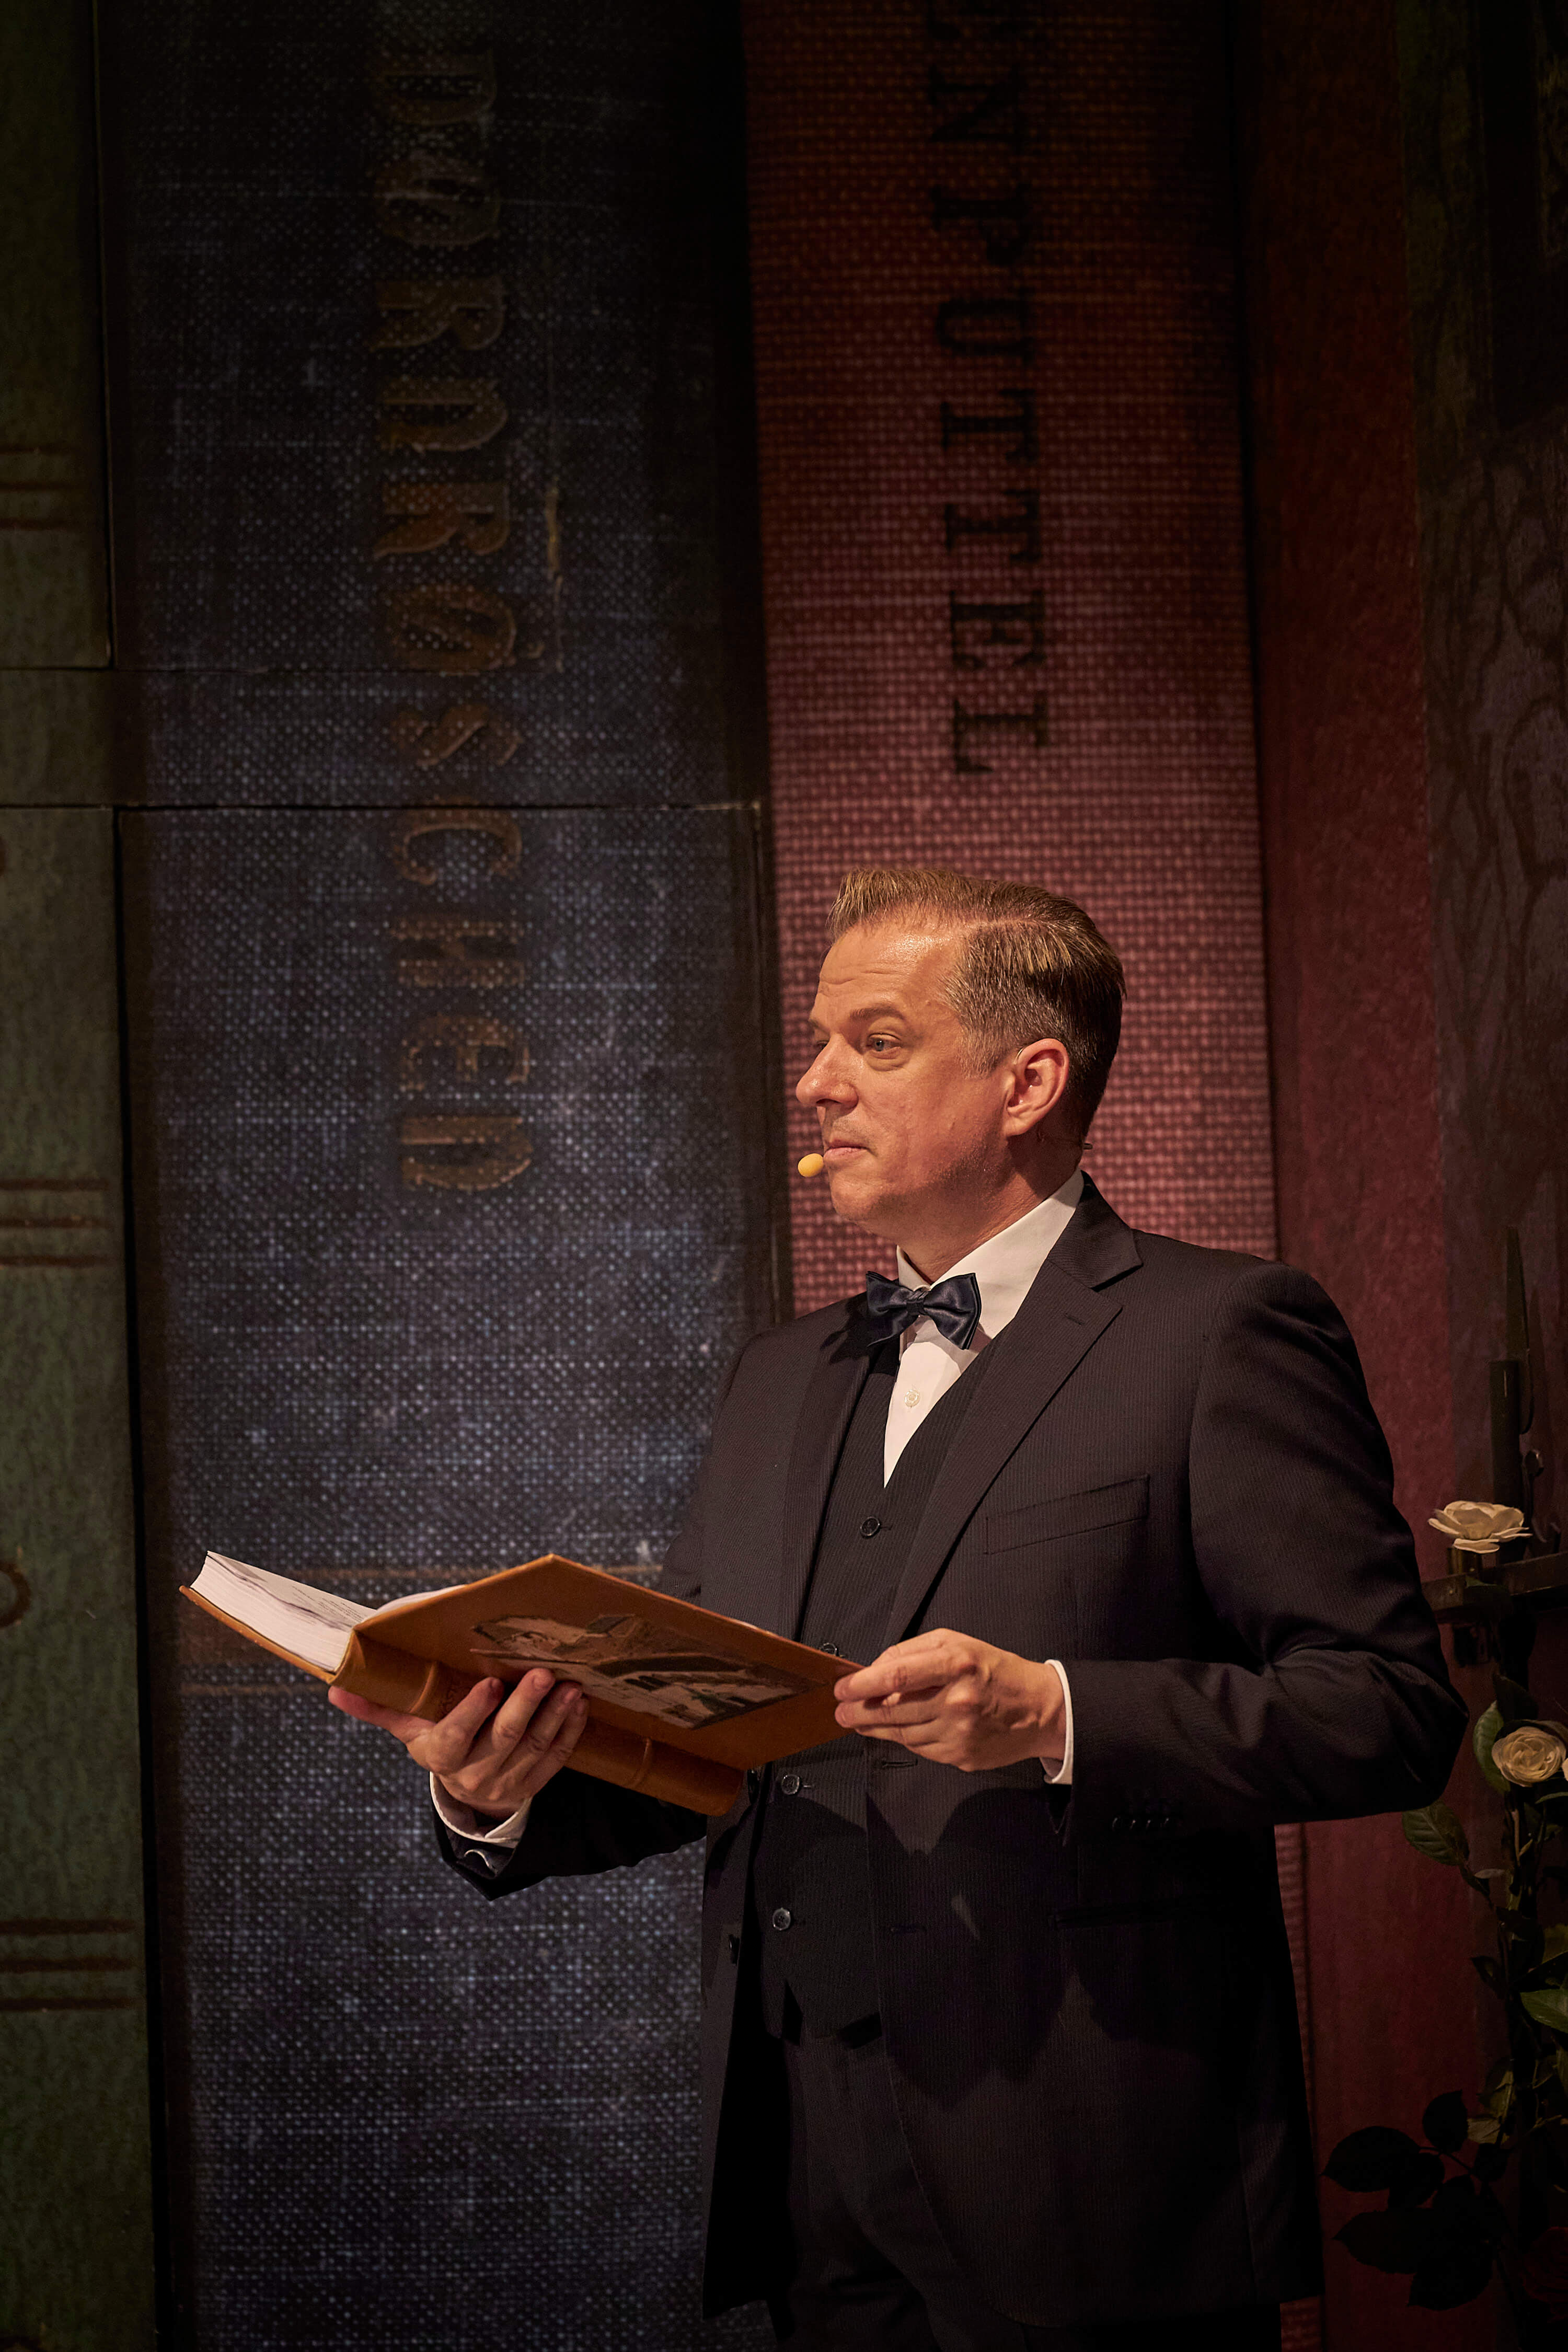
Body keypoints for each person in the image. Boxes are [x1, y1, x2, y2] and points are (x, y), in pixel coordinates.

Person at [333, 866, 1466, 2351]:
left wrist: (1057, 1711)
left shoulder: (1221, 1331)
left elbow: (1389, 1708)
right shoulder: (778, 1378)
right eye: (820, 1043)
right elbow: (706, 1738)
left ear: (1028, 1081)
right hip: (805, 2153)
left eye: (874, 1041)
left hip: (1092, 2153)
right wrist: (497, 1788)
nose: (816, 1083)